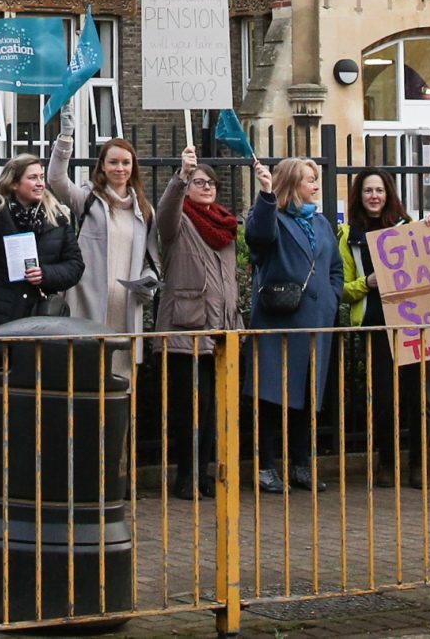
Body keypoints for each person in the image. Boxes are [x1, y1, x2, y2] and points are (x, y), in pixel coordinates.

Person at [246, 156, 341, 493]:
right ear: (291, 184)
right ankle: (266, 467)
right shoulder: (273, 216)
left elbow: (335, 267)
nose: (316, 184)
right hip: (278, 319)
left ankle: (302, 465)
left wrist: (332, 297)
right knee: (271, 396)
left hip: (315, 321)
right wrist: (266, 194)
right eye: (308, 179)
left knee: (307, 396)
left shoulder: (321, 224)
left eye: (316, 177)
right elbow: (258, 237)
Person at [152, 146, 241, 500]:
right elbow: (165, 213)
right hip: (186, 328)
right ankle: (185, 476)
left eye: (211, 183)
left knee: (214, 409)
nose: (206, 187)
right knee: (191, 408)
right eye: (199, 182)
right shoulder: (179, 221)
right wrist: (181, 176)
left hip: (221, 328)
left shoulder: (225, 225)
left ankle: (205, 474)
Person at [47, 128, 152, 377]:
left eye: (126, 163)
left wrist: (148, 286)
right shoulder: (87, 199)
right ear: (102, 166)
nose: (120, 168)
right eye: (113, 162)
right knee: (85, 377)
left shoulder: (145, 211)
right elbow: (56, 179)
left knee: (121, 384)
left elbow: (151, 261)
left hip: (126, 308)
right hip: (88, 304)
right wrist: (65, 138)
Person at [337, 166, 412, 486]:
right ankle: (387, 461)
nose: (374, 196)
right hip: (375, 325)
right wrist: (367, 283)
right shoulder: (348, 235)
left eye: (379, 190)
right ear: (359, 195)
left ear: (389, 194)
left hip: (410, 323)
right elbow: (341, 288)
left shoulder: (407, 227)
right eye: (368, 191)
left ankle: (418, 462)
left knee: (415, 396)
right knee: (383, 398)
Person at [0, 145, 84, 335]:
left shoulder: (57, 218)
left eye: (41, 177)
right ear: (13, 183)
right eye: (32, 177)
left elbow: (75, 265)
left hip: (38, 316)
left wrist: (45, 274)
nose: (40, 183)